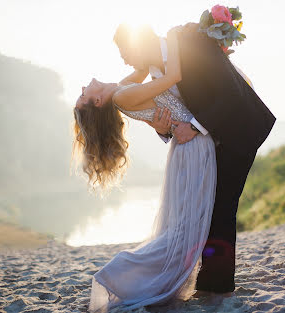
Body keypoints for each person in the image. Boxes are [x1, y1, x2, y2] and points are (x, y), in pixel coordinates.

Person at [113, 23, 276, 295]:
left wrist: (196, 126)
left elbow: (230, 93)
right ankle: (209, 282)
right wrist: (163, 129)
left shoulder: (192, 43)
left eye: (124, 50)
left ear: (139, 44)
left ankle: (218, 287)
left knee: (222, 207)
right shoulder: (156, 73)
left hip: (241, 128)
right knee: (208, 208)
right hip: (210, 138)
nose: (124, 59)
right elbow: (175, 113)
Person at [72, 28, 218, 312]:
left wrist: (137, 43)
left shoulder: (121, 90)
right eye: (83, 96)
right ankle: (118, 274)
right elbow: (172, 77)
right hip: (192, 146)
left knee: (182, 226)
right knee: (181, 229)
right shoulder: (121, 98)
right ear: (98, 102)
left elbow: (142, 67)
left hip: (186, 145)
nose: (82, 88)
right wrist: (174, 36)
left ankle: (151, 279)